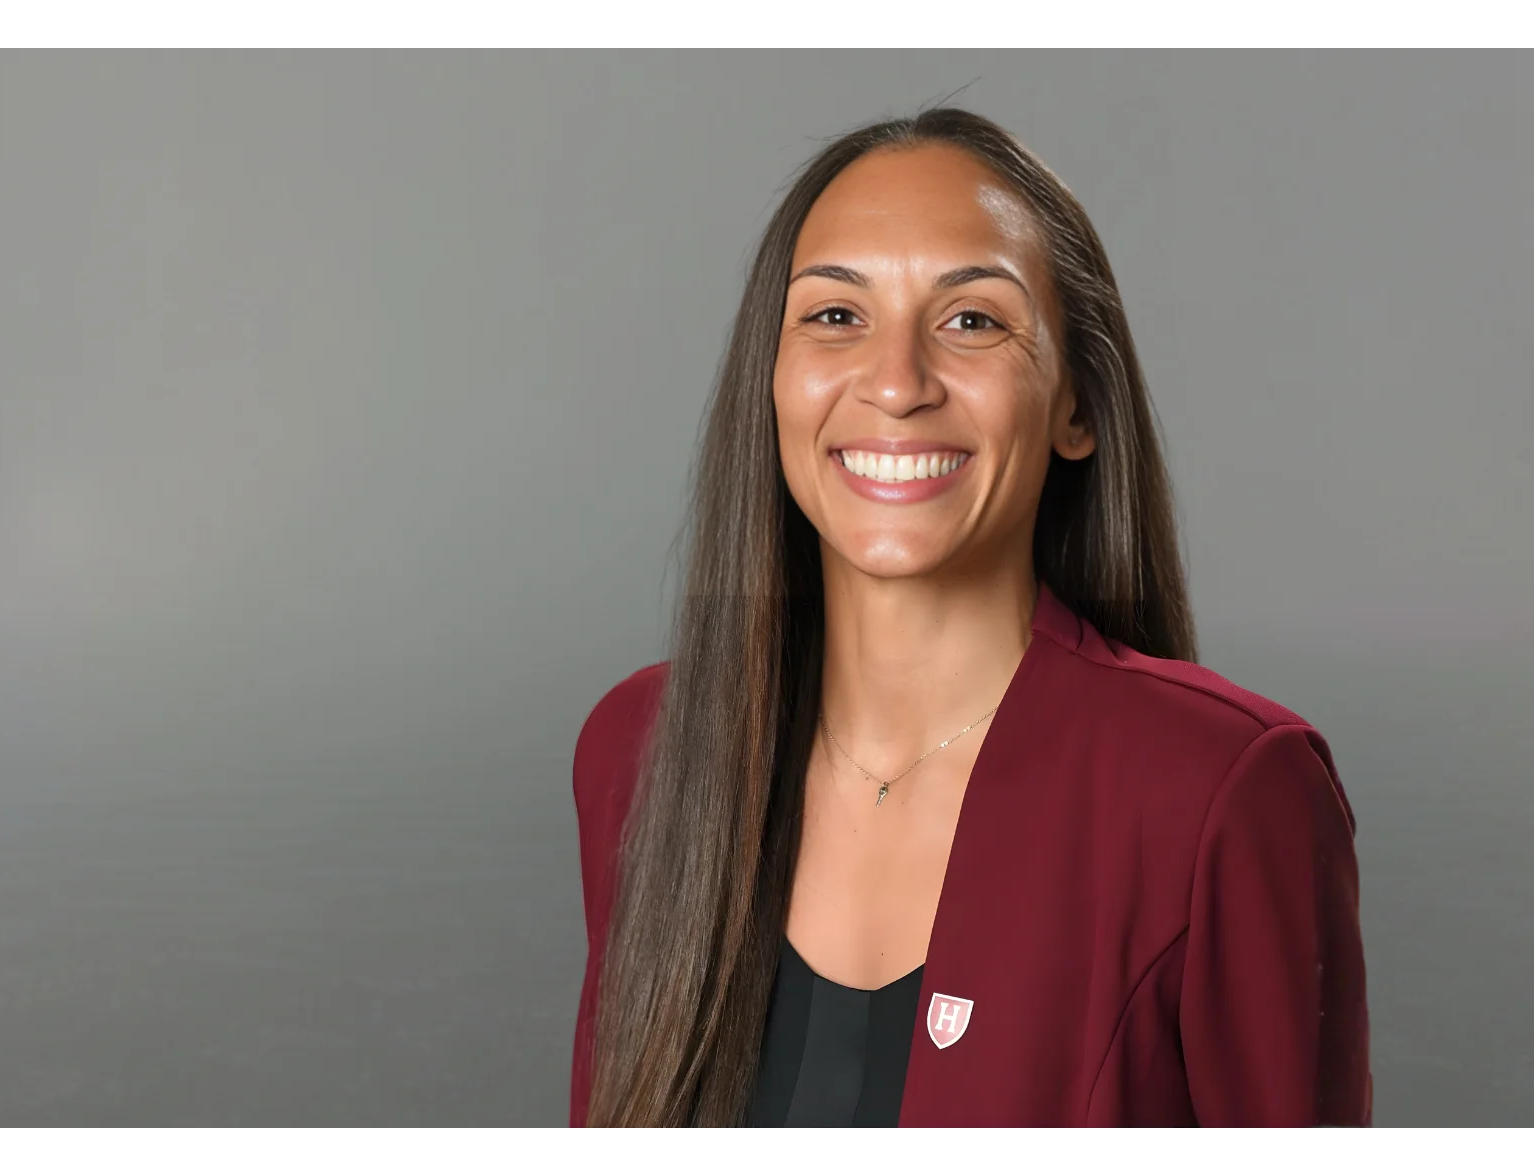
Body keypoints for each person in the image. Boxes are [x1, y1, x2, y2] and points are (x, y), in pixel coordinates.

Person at [569, 106, 1370, 1128]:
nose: (897, 384)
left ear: (1076, 406)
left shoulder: (1219, 791)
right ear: (768, 384)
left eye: (972, 321)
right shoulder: (639, 750)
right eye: (834, 316)